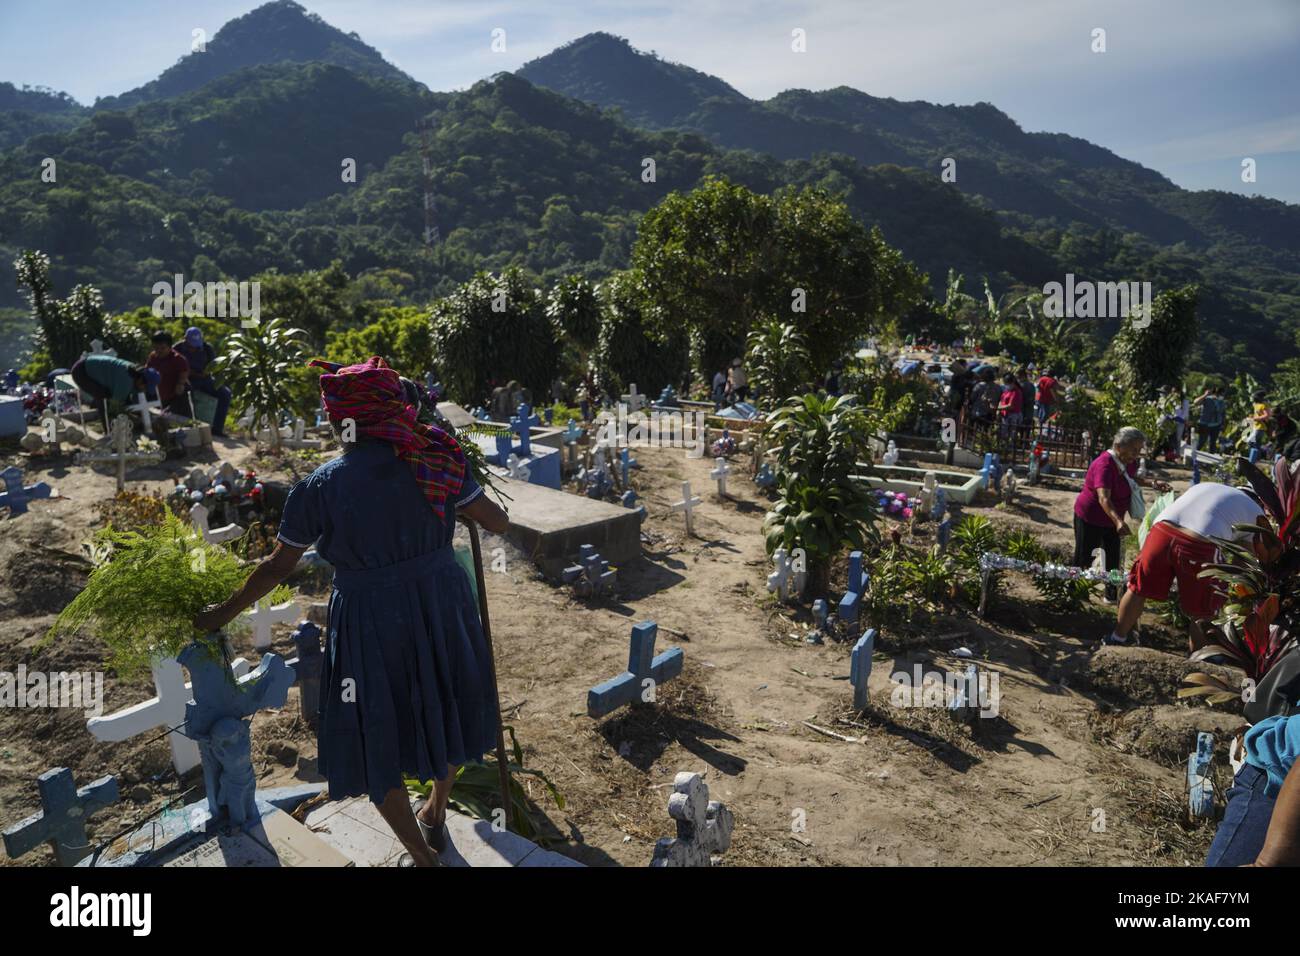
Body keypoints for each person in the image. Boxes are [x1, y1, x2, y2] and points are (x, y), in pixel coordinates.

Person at [194, 356, 509, 867]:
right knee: (444, 709)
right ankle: (436, 811)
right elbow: (498, 523)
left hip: (371, 621)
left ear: (343, 420)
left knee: (375, 735)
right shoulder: (434, 460)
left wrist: (220, 614)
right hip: (441, 605)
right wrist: (457, 481)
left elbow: (277, 568)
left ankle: (422, 854)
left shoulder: (322, 485)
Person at [1106, 481, 1261, 648]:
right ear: (1260, 501)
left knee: (1137, 589)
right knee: (1204, 609)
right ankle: (1200, 659)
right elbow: (1243, 560)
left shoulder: (1207, 486)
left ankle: (1117, 637)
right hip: (1199, 543)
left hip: (1161, 531)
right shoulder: (1257, 513)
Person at [1073, 427, 1169, 604]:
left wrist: (1154, 483)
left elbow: (1132, 478)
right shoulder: (1105, 465)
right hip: (1091, 517)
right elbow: (1103, 497)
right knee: (1084, 557)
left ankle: (1112, 593)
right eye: (1134, 449)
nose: (1137, 453)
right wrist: (1118, 521)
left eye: (1139, 449)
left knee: (1114, 560)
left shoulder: (1127, 461)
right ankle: (1075, 593)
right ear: (1118, 446)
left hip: (1112, 519)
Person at [69, 351, 159, 426]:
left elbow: (130, 401)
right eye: (145, 387)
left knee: (113, 398)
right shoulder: (125, 381)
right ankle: (108, 430)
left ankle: (101, 413)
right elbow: (115, 407)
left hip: (96, 369)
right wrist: (133, 420)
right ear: (141, 379)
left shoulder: (136, 374)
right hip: (81, 371)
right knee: (104, 398)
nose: (144, 390)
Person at [174, 327, 231, 437]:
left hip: (205, 380)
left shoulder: (207, 349)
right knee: (183, 395)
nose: (193, 348)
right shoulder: (178, 348)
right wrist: (189, 373)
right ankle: (188, 428)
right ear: (185, 339)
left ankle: (217, 429)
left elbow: (212, 368)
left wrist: (202, 373)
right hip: (186, 380)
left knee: (225, 393)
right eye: (191, 345)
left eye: (196, 345)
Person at [145, 330, 191, 416]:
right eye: (156, 348)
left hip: (176, 398)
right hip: (159, 396)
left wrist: (180, 384)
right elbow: (147, 369)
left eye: (162, 348)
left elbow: (184, 374)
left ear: (170, 347)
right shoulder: (152, 357)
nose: (159, 351)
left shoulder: (178, 359)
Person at [1192, 383, 1226, 453]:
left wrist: (1223, 425)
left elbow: (1222, 413)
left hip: (1216, 425)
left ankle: (1210, 461)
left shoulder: (1222, 402)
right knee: (1201, 442)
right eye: (1222, 394)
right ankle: (1193, 456)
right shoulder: (1207, 399)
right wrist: (1205, 395)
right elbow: (1195, 402)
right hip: (1204, 424)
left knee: (1212, 444)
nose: (1222, 395)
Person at [997, 371, 1023, 436]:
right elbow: (1002, 399)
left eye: (1007, 383)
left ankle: (1010, 446)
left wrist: (997, 408)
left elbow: (1011, 406)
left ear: (1012, 383)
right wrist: (999, 409)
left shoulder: (1016, 392)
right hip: (1005, 415)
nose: (1006, 385)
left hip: (1013, 416)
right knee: (1003, 434)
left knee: (1012, 434)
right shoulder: (1007, 391)